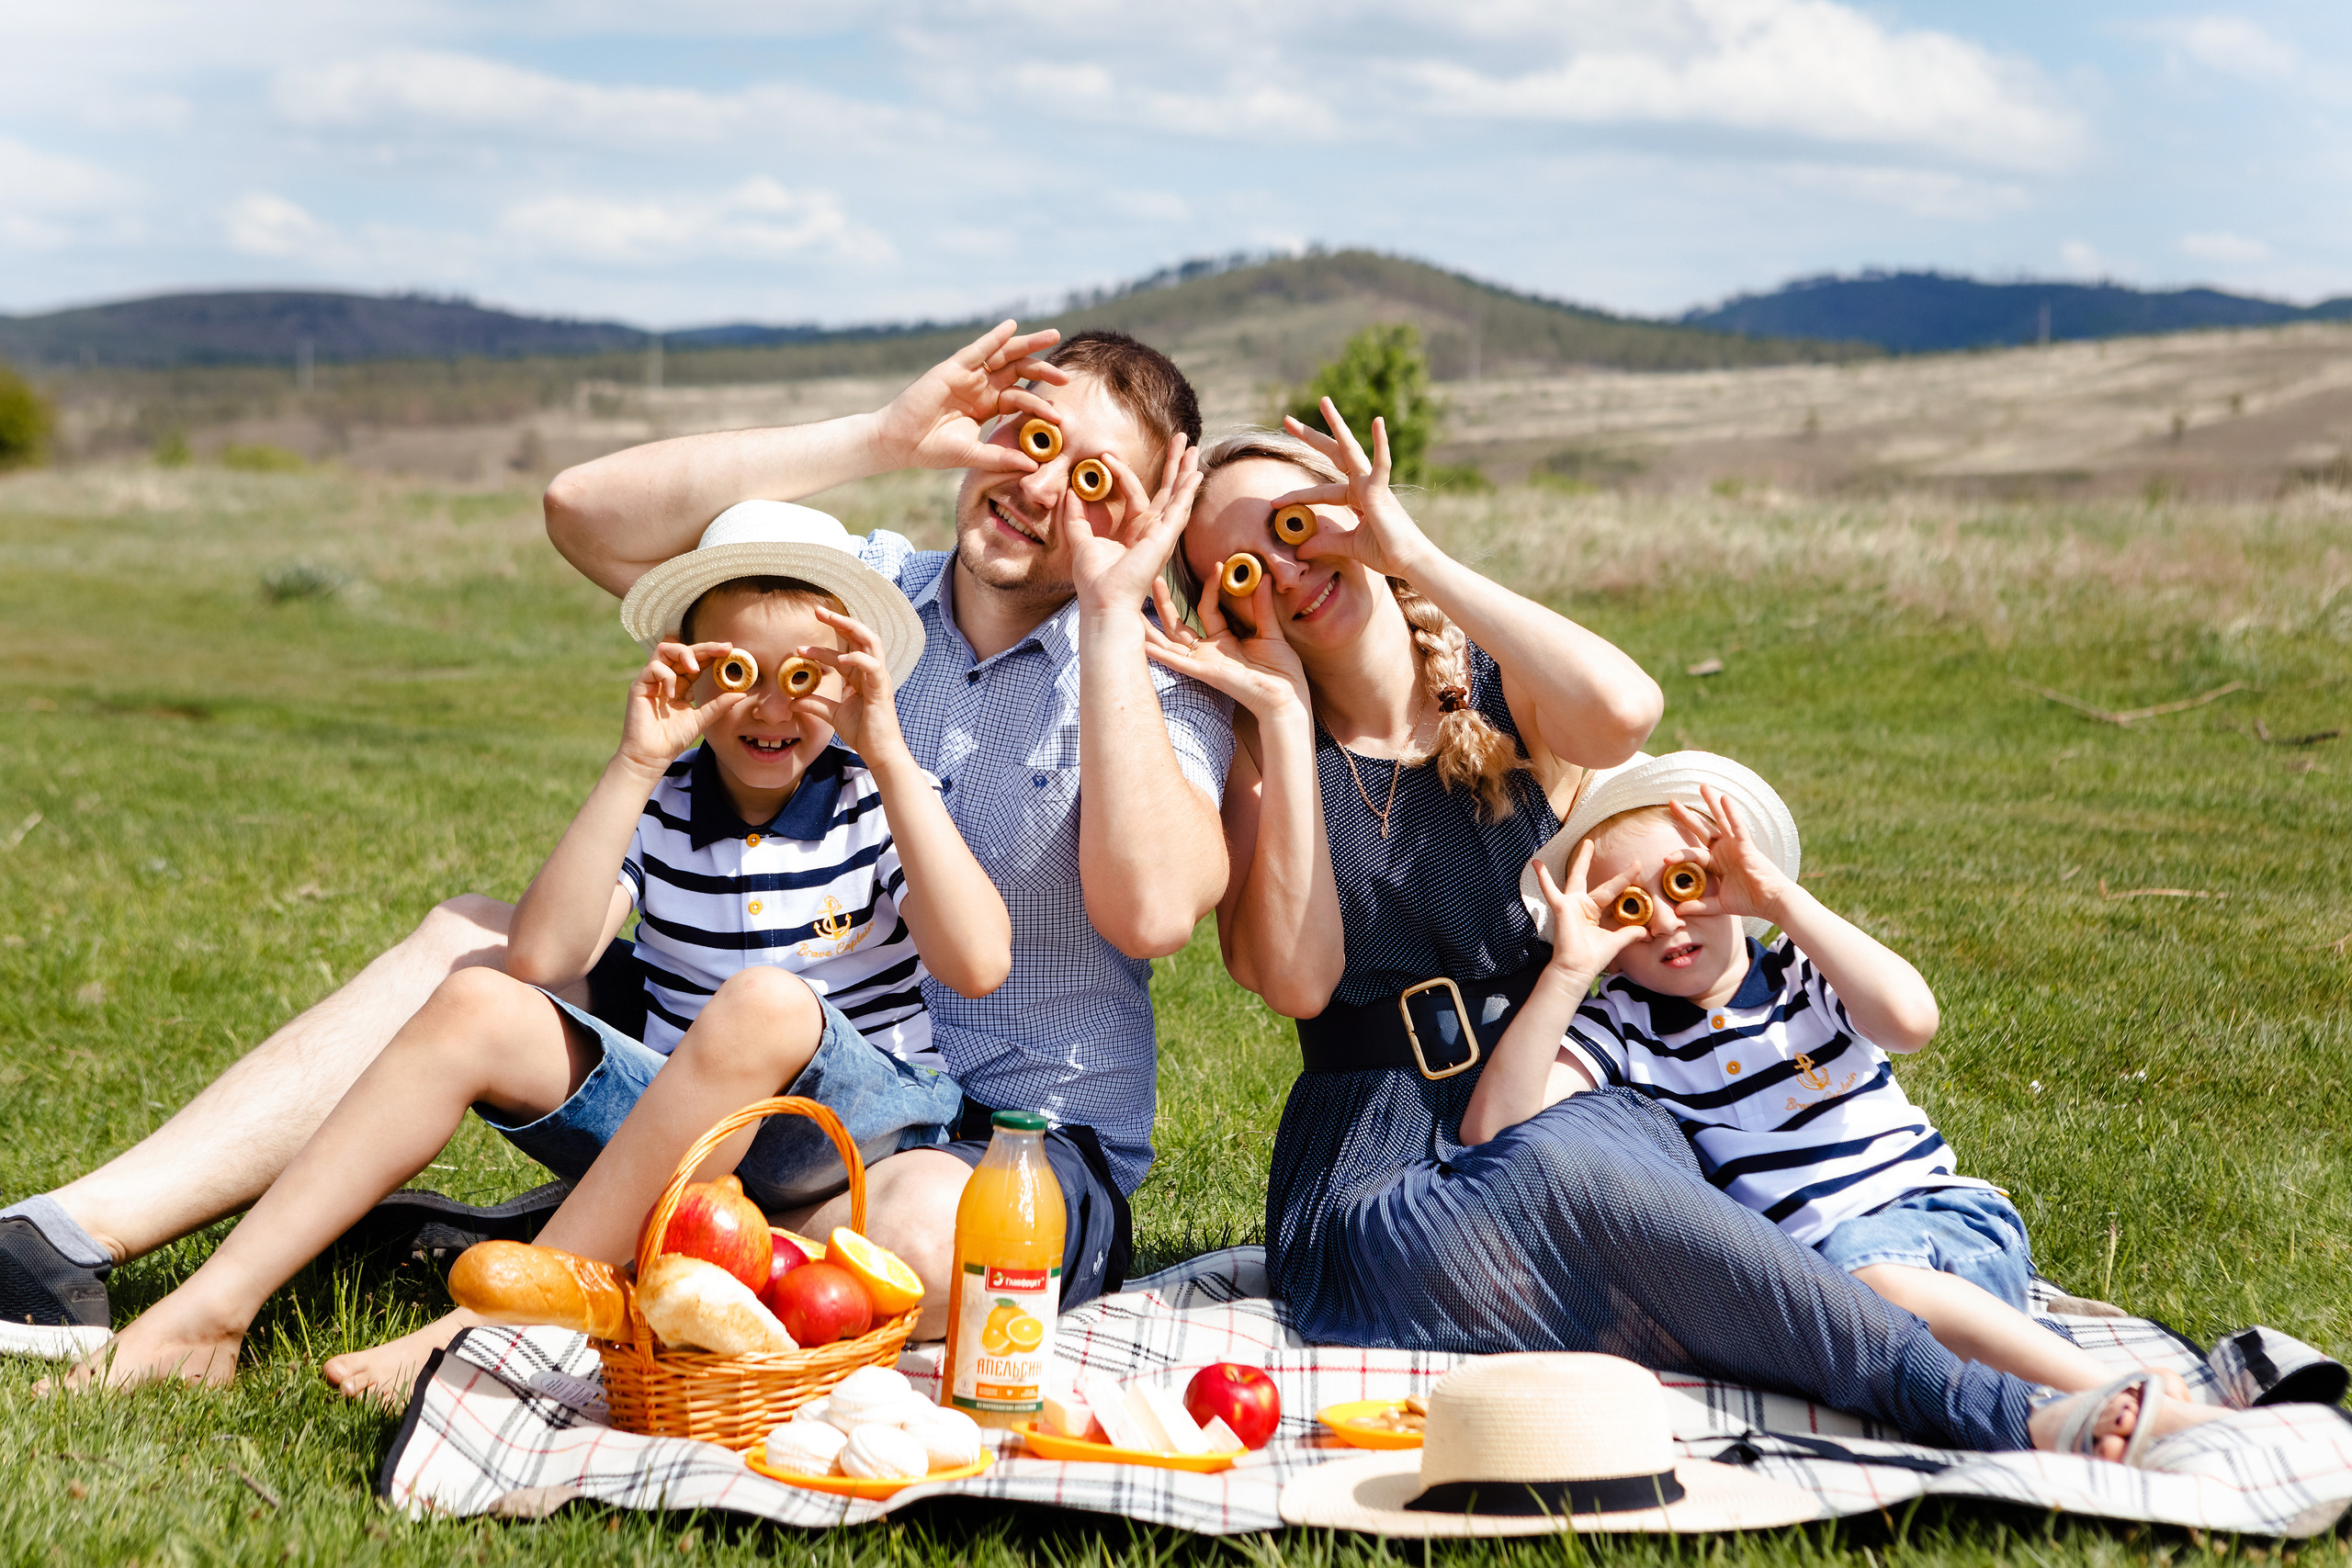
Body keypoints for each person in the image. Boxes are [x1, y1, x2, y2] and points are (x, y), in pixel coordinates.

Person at [3, 324, 1231, 1402]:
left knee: (919, 1234)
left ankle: (565, 1260)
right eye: (1028, 438)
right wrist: (888, 433)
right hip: (743, 1055)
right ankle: (71, 1237)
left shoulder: (1144, 674)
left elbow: (1156, 908)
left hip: (1003, 1139)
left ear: (1152, 516)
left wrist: (1117, 612)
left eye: (1095, 481)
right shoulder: (855, 600)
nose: (1038, 487)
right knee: (473, 944)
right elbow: (584, 511)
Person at [1140, 406, 2218, 1461]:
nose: (1282, 571)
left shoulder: (1495, 682)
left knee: (1628, 1196)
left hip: (1566, 1080)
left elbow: (1624, 710)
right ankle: (1995, 1409)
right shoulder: (1259, 747)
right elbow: (1295, 979)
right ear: (1223, 611)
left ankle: (1957, 1377)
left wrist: (1411, 549)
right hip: (1380, 1168)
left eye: (1294, 525)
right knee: (1582, 1194)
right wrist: (1281, 722)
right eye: (1237, 569)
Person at [64, 519, 1012, 1389]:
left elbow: (975, 964)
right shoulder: (665, 801)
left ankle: (495, 1320)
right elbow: (543, 955)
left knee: (763, 1004)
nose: (769, 707)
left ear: (850, 682)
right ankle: (211, 1313)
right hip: (686, 1137)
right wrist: (635, 764)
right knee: (476, 1000)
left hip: (847, 1132)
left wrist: (887, 754)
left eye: (803, 677)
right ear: (684, 674)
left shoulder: (880, 796)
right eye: (735, 674)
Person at [1458, 750, 2199, 1406]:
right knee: (1864, 1347)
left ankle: (2103, 1389)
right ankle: (2039, 1401)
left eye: (1686, 882)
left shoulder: (1797, 975)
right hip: (1830, 1288)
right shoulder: (1623, 1024)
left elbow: (1911, 1020)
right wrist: (1569, 967)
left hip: (1937, 1225)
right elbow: (1494, 1129)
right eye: (1628, 906)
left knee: (1867, 1292)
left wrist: (1780, 901)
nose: (1664, 921)